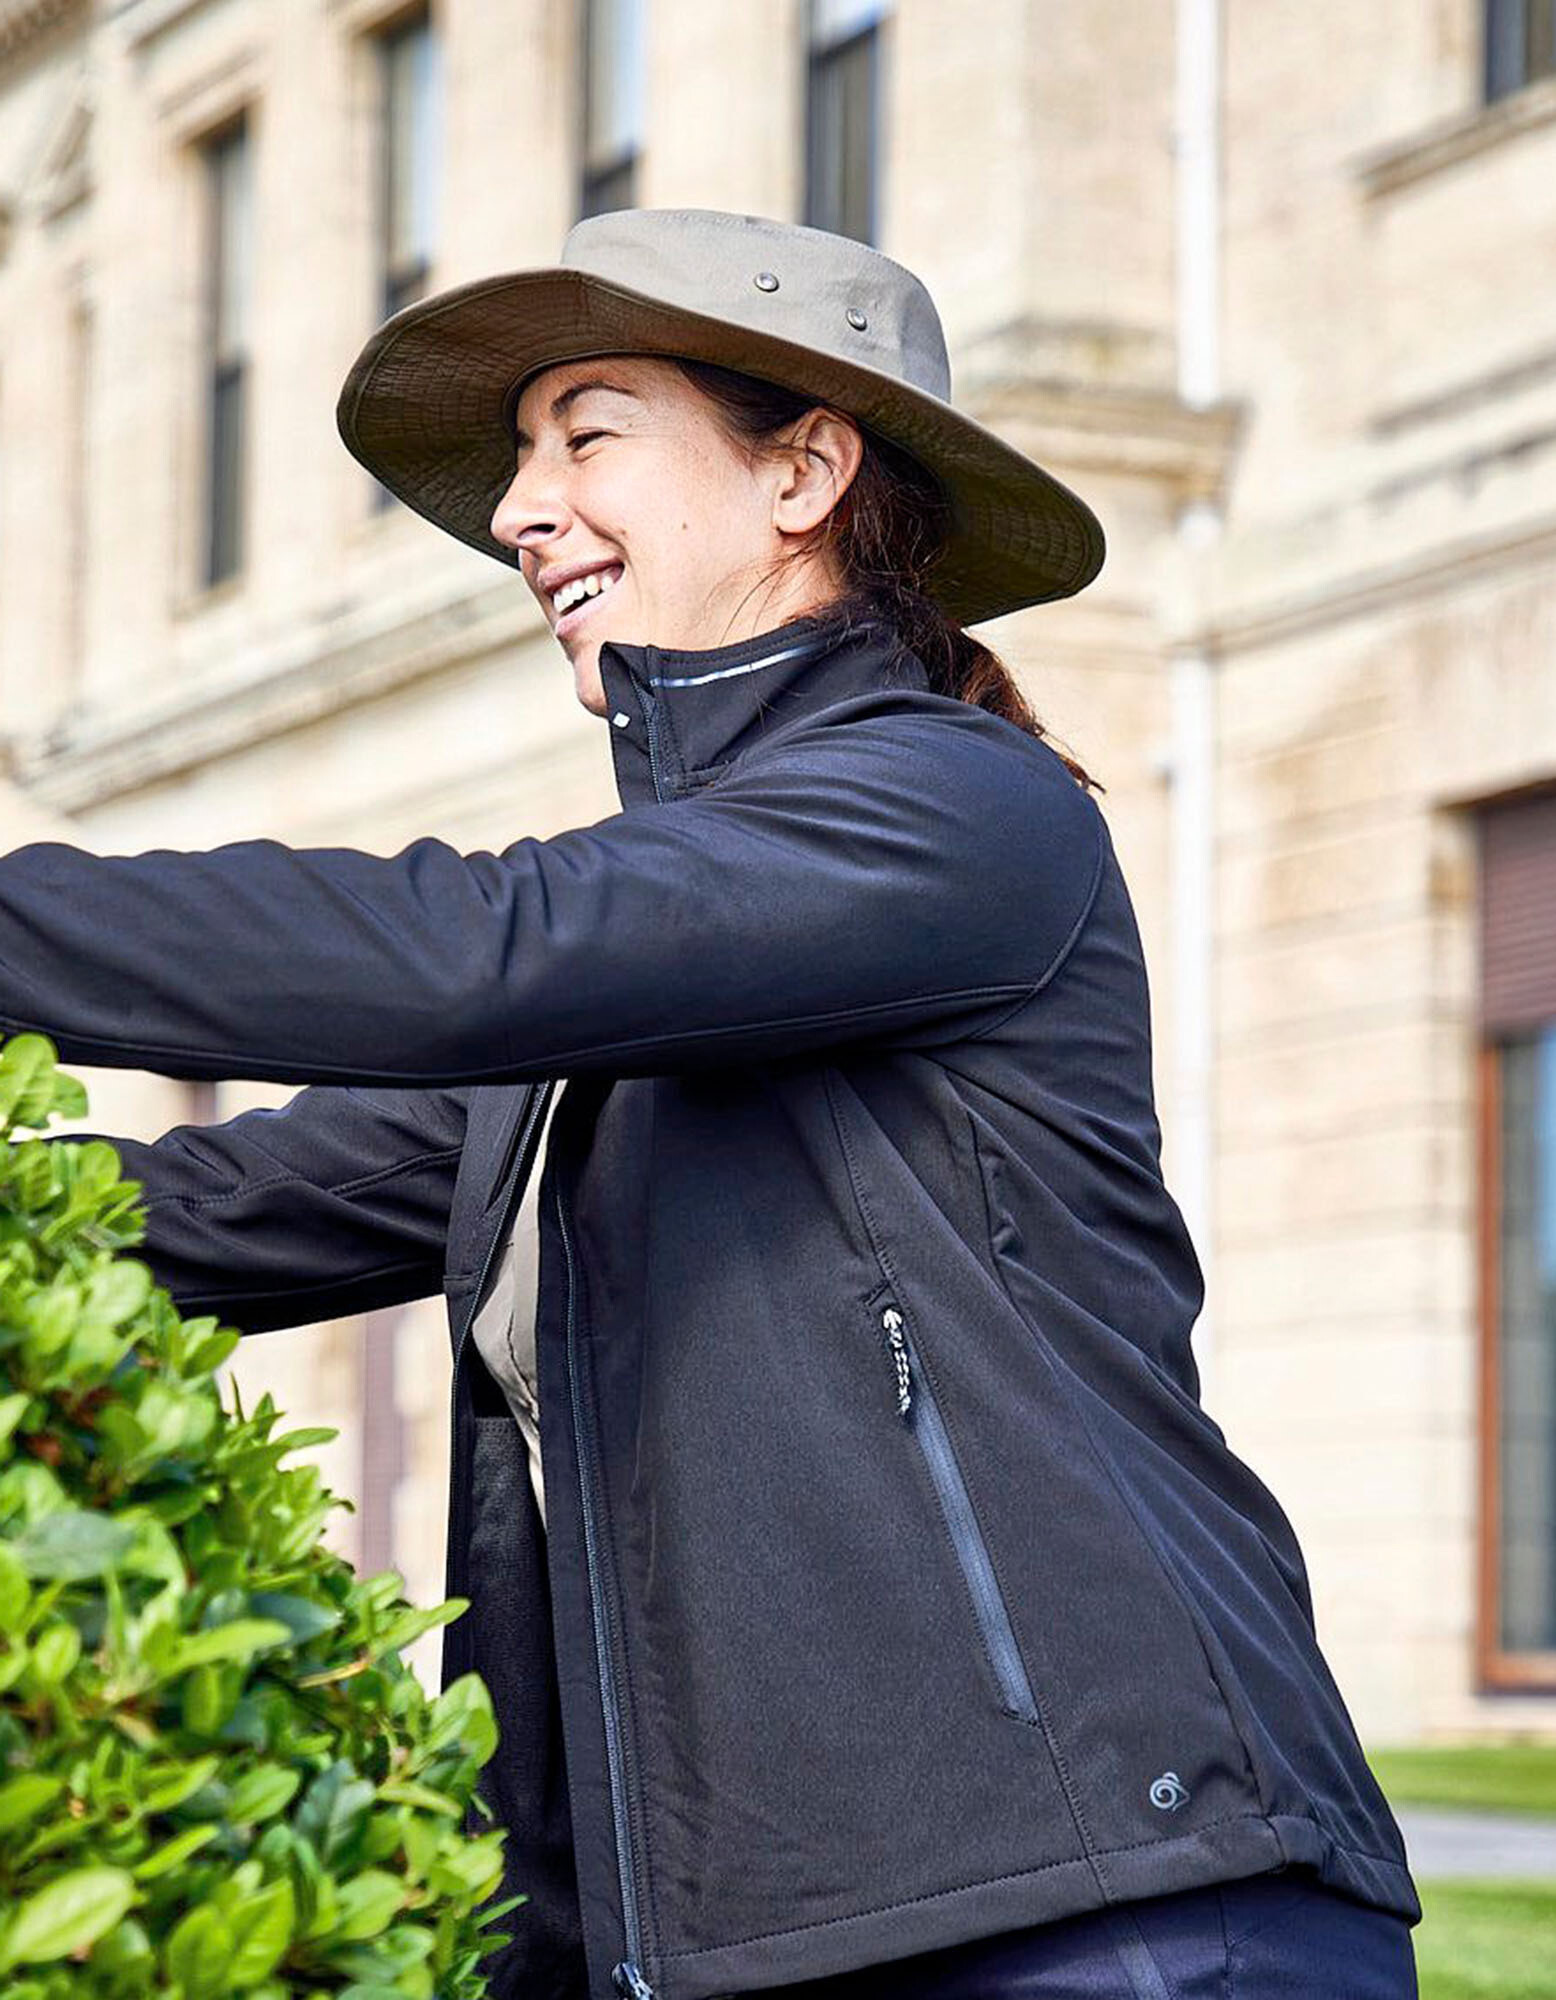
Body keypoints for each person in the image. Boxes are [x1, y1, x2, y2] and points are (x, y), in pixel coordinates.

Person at [3, 209, 1419, 1998]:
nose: (521, 513)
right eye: (521, 460)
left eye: (586, 435)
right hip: (764, 1941)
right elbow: (205, 1213)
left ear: (805, 471)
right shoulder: (640, 965)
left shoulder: (950, 809)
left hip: (1101, 1905)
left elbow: (477, 950)